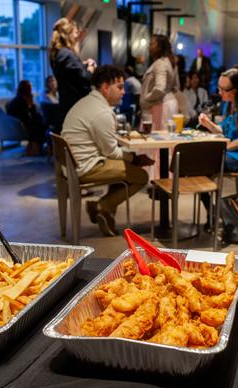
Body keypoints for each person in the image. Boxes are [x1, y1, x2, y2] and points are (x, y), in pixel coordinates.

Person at [62, 65, 154, 236]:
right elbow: (111, 153)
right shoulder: (102, 112)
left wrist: (131, 158)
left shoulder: (86, 102)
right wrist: (134, 158)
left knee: (125, 169)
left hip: (72, 165)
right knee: (141, 176)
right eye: (119, 87)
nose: (123, 92)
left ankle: (106, 212)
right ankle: (102, 206)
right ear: (105, 87)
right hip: (85, 167)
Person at [198, 68, 238, 229]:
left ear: (236, 89)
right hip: (231, 152)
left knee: (200, 165)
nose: (219, 93)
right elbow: (223, 130)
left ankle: (214, 213)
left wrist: (221, 148)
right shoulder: (231, 104)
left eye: (223, 89)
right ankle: (213, 212)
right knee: (195, 165)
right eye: (218, 88)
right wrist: (208, 124)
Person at [49, 18, 96, 125]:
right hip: (75, 106)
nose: (77, 36)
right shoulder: (66, 54)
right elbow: (84, 79)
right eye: (75, 32)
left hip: (67, 104)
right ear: (68, 34)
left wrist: (82, 64)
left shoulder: (58, 53)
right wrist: (90, 68)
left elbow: (71, 74)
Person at [140, 34, 179, 130]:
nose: (149, 47)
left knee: (154, 141)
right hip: (167, 103)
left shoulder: (160, 63)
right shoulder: (169, 61)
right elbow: (176, 86)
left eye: (152, 44)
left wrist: (146, 99)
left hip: (159, 105)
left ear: (159, 47)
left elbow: (159, 88)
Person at [6, 80, 46, 155]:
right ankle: (35, 149)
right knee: (40, 124)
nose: (31, 89)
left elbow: (31, 113)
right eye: (30, 87)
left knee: (40, 121)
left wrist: (31, 104)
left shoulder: (22, 99)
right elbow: (26, 115)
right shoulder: (20, 100)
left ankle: (36, 147)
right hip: (20, 124)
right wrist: (31, 105)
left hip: (21, 122)